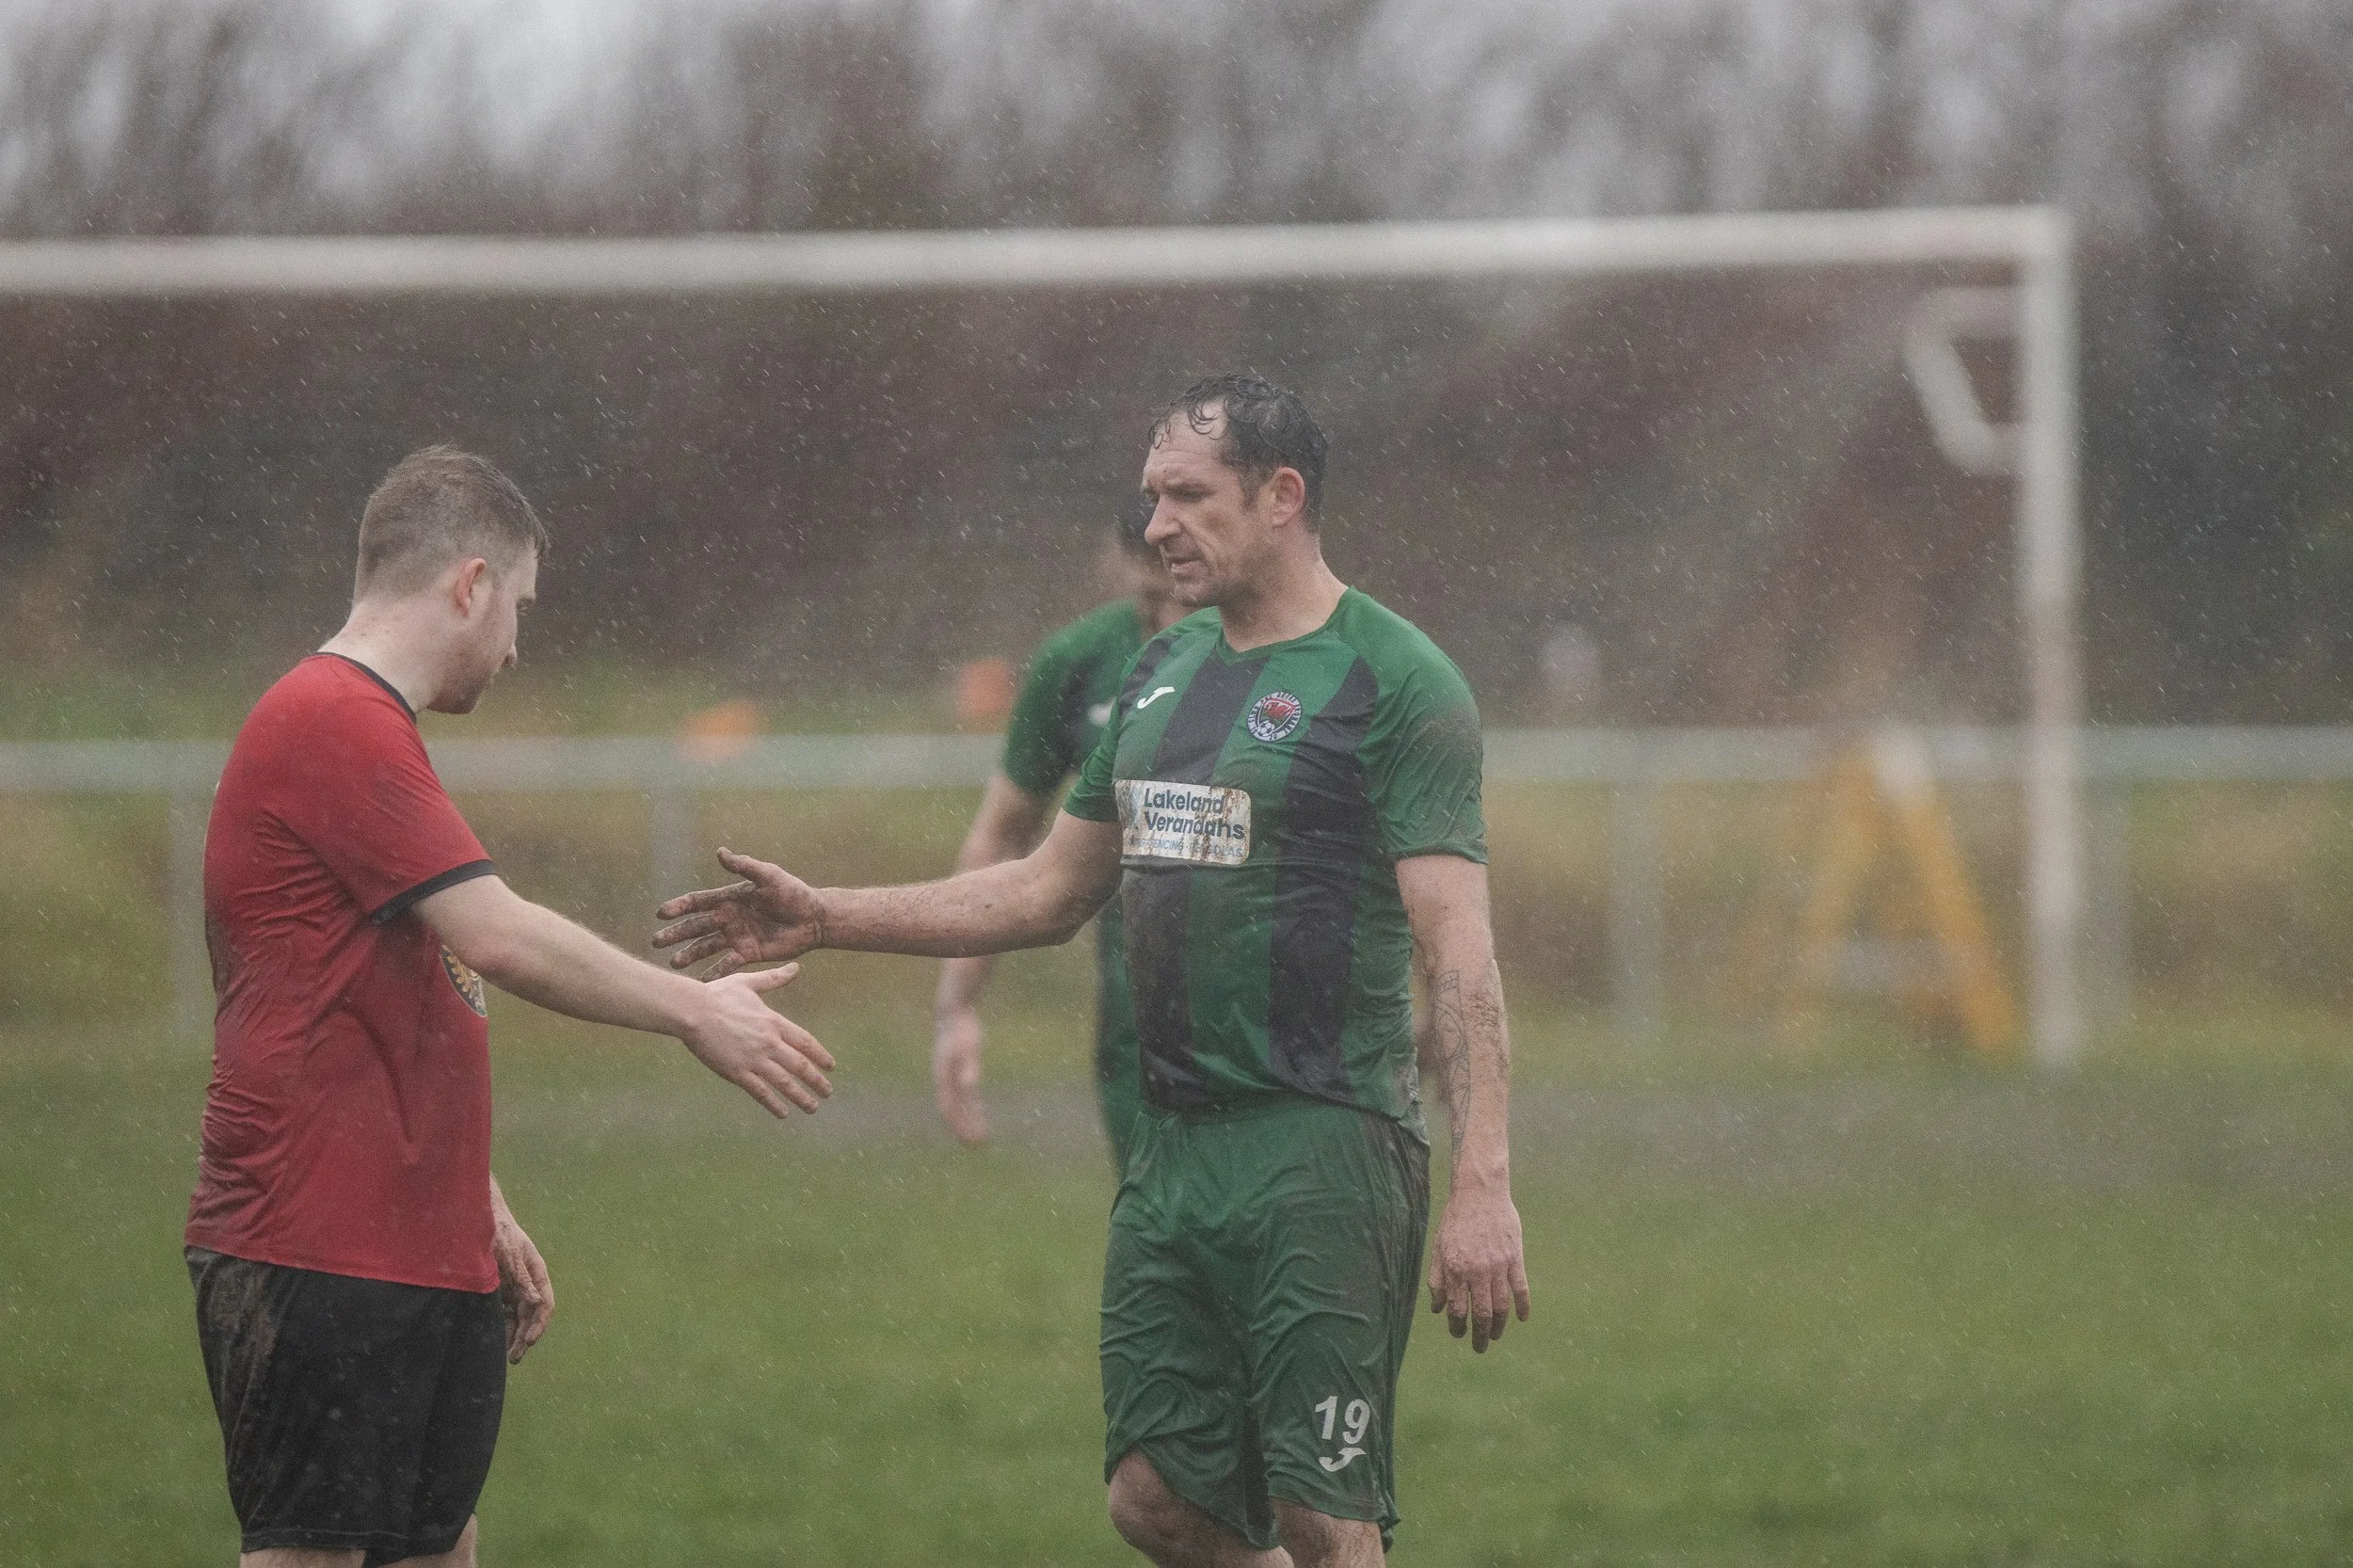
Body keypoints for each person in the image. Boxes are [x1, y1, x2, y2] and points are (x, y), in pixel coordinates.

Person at [656, 376, 1529, 1568]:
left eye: (1187, 494)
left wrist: (1483, 1180)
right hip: (1171, 1142)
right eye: (1148, 495)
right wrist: (827, 914)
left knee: (1322, 1514)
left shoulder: (1399, 680)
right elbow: (1045, 888)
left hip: (1324, 1144)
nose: (1156, 523)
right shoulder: (1161, 675)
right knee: (1153, 1499)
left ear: (1283, 497)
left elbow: (1460, 957)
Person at [186, 446, 836, 1568]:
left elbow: (375, 993)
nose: (518, 643)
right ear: (470, 583)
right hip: (318, 1242)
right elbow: (500, 932)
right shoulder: (328, 716)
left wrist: (468, 1192)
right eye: (519, 607)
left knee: (436, 1549)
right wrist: (694, 1010)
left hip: (411, 1246)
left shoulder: (376, 734)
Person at [932, 498, 1181, 1160]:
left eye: (1181, 601)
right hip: (1144, 1024)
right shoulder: (1081, 659)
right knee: (1158, 1241)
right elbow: (1004, 836)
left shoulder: (1300, 660)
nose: (1164, 624)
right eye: (1148, 602)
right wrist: (956, 1007)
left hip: (1297, 1027)